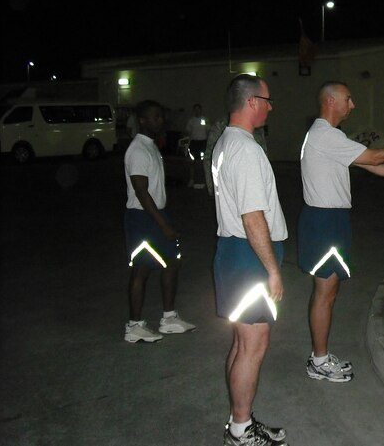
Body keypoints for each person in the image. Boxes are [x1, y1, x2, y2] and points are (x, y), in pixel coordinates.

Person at [298, 81, 384, 382]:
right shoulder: (325, 135)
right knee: (325, 292)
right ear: (330, 101)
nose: (352, 105)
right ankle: (318, 361)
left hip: (330, 219)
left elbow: (369, 165)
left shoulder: (328, 136)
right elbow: (374, 157)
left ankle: (320, 356)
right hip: (324, 221)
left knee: (329, 290)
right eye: (348, 99)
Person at [211, 74, 288, 446]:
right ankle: (241, 431)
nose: (271, 107)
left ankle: (238, 422)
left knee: (243, 344)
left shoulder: (226, 143)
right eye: (268, 100)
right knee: (253, 346)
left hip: (235, 252)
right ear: (252, 102)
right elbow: (253, 216)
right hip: (249, 257)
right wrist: (272, 270)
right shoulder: (245, 149)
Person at [123, 100, 196, 343]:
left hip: (155, 214)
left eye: (161, 116)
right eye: (155, 117)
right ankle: (134, 326)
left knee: (171, 262)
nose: (160, 120)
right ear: (142, 120)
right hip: (143, 218)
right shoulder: (137, 150)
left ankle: (169, 319)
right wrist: (162, 223)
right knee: (142, 268)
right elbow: (141, 191)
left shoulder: (150, 146)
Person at [205, 116, 268, 196]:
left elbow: (263, 154)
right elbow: (209, 155)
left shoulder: (256, 126)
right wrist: (212, 185)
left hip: (253, 180)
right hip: (229, 182)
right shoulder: (221, 125)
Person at [185, 103, 208, 188]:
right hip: (194, 143)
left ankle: (203, 180)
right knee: (192, 162)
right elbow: (187, 131)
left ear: (201, 110)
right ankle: (192, 179)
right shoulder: (191, 121)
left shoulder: (204, 120)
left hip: (203, 143)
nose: (197, 111)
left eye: (198, 109)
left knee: (203, 162)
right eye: (195, 109)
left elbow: (208, 130)